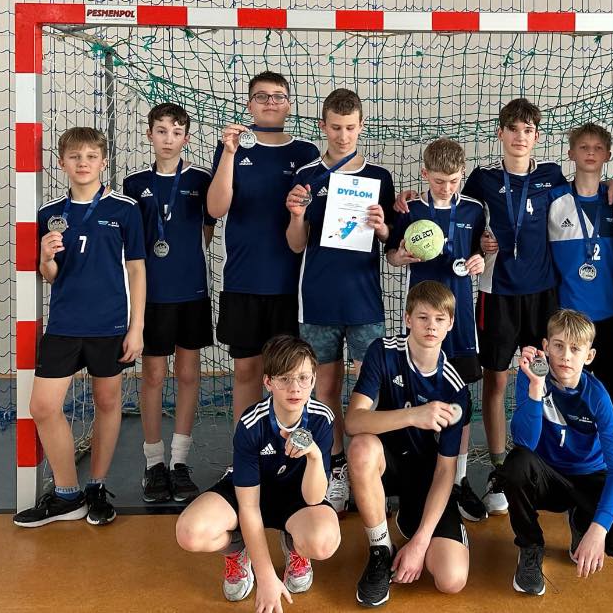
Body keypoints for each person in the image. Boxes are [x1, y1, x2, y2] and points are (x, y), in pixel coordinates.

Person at [13, 127, 145, 528]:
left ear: (103, 162)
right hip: (65, 324)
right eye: (75, 157)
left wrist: (136, 328)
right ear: (62, 163)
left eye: (90, 156)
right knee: (42, 407)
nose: (83, 163)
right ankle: (68, 494)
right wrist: (46, 257)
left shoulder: (125, 209)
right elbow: (51, 275)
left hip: (110, 326)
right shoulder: (50, 214)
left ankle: (97, 487)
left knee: (107, 403)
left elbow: (136, 270)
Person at [285, 88, 396, 514]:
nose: (343, 135)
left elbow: (390, 244)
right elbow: (296, 244)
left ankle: (368, 471)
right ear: (323, 126)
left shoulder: (379, 178)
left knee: (369, 392)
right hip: (318, 302)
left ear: (361, 126)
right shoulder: (307, 175)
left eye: (350, 127)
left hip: (364, 303)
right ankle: (333, 467)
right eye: (335, 127)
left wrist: (383, 228)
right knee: (325, 388)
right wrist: (297, 216)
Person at [455, 98, 568, 514]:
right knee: (497, 381)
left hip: (543, 296)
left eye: (528, 130)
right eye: (513, 129)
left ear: (536, 136)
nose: (520, 137)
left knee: (544, 379)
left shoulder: (552, 176)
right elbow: (461, 222)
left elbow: (579, 208)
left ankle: (540, 463)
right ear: (500, 133)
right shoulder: (483, 179)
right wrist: (479, 242)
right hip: (497, 293)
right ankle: (500, 470)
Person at [175, 335, 341, 609]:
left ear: (313, 380)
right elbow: (249, 506)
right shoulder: (252, 424)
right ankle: (237, 549)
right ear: (268, 382)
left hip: (297, 498)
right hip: (251, 494)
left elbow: (313, 499)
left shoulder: (322, 419)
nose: (295, 388)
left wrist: (313, 455)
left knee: (323, 542)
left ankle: (296, 546)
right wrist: (266, 577)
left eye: (303, 378)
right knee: (190, 533)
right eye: (284, 379)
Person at [497, 309, 613, 596]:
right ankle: (530, 547)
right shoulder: (531, 378)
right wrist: (536, 387)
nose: (565, 356)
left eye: (575, 349)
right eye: (558, 346)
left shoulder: (597, 396)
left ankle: (582, 520)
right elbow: (524, 442)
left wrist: (598, 528)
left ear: (589, 356)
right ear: (546, 347)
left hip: (588, 478)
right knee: (516, 465)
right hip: (547, 477)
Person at [208, 72, 320, 441]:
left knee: (291, 376)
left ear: (289, 104)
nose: (270, 102)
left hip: (290, 284)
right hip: (243, 280)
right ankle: (245, 453)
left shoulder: (306, 153)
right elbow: (216, 208)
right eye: (261, 96)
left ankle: (291, 451)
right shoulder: (233, 147)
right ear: (249, 104)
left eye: (278, 96)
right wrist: (229, 153)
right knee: (246, 372)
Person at [345, 281, 471, 607]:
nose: (431, 326)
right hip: (385, 463)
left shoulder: (455, 388)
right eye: (423, 317)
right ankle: (380, 549)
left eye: (439, 319)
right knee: (361, 448)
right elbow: (353, 422)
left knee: (452, 579)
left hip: (426, 479)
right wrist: (415, 415)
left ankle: (414, 523)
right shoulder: (383, 351)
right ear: (407, 319)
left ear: (451, 324)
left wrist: (420, 542)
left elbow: (445, 471)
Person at [385, 137, 488, 522]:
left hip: (459, 323)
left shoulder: (475, 209)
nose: (447, 187)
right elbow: (391, 256)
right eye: (439, 180)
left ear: (462, 175)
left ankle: (457, 480)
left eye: (454, 180)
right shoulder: (410, 209)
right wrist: (400, 256)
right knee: (412, 395)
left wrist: (480, 259)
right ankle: (413, 474)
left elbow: (482, 250)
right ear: (425, 174)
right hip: (421, 321)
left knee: (461, 401)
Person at [122, 102, 215, 503]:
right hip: (153, 297)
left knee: (189, 374)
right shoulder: (134, 183)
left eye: (176, 132)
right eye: (161, 131)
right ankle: (154, 462)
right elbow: (132, 244)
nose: (168, 139)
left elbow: (207, 228)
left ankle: (179, 461)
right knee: (154, 376)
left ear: (186, 138)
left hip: (191, 293)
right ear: (149, 135)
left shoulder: (201, 179)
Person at [545, 123, 613, 454]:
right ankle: (568, 463)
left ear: (608, 154)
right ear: (571, 153)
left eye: (598, 148)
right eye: (584, 147)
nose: (591, 152)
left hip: (611, 317)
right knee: (565, 396)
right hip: (567, 318)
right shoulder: (554, 199)